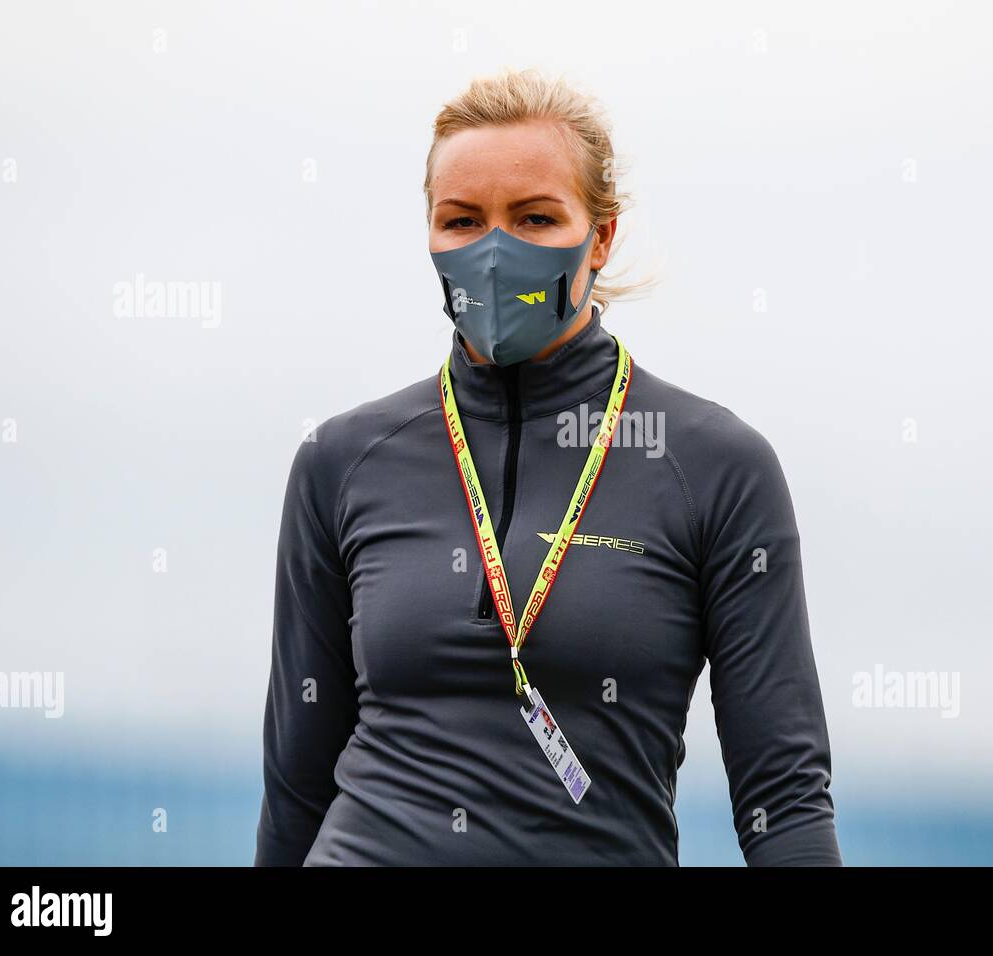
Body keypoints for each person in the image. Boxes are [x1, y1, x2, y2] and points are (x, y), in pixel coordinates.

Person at [254, 68, 842, 866]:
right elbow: (295, 788)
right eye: (461, 221)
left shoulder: (714, 466)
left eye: (534, 219)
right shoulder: (342, 461)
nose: (495, 253)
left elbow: (785, 800)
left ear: (601, 236)